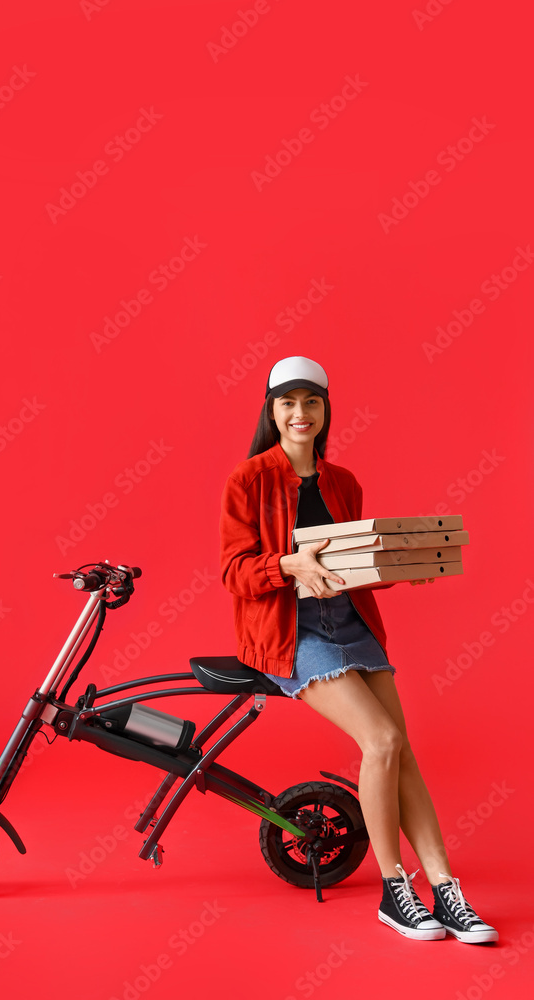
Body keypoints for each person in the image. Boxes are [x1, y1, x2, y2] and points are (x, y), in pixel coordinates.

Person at [219, 355, 497, 943]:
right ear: (272, 411)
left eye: (312, 402)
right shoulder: (247, 480)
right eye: (289, 403)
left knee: (404, 757)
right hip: (292, 634)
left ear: (325, 410)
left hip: (353, 625)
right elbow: (234, 573)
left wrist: (405, 565)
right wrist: (286, 564)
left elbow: (352, 566)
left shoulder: (342, 481)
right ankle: (395, 890)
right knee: (383, 741)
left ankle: (446, 889)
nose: (301, 414)